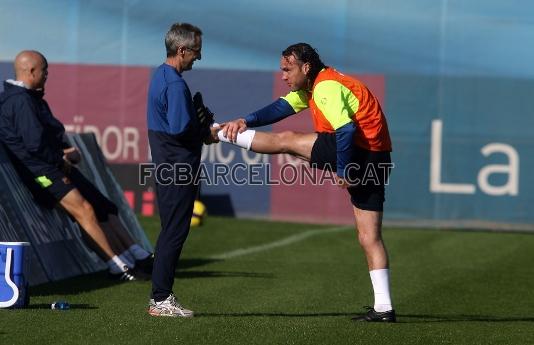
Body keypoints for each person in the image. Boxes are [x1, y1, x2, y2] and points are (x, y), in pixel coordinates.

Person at [220, 43, 396, 322]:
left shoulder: (325, 86)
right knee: (368, 237)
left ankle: (214, 133)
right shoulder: (317, 85)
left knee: (285, 140)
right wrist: (246, 119)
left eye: (288, 70)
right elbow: (281, 107)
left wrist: (344, 168)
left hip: (356, 151)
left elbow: (346, 129)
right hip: (379, 158)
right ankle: (385, 308)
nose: (284, 76)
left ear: (306, 67)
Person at [0, 50, 151, 281]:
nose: (47, 76)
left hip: (55, 165)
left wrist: (63, 154)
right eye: (45, 71)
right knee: (86, 211)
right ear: (31, 71)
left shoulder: (29, 98)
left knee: (103, 207)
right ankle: (117, 266)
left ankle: (134, 256)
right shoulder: (19, 101)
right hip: (42, 171)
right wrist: (61, 157)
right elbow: (34, 144)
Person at [146, 22, 219, 317]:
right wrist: (205, 131)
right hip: (177, 169)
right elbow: (179, 130)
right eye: (196, 51)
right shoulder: (175, 83)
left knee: (170, 231)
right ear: (182, 50)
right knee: (174, 233)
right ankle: (161, 298)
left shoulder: (161, 74)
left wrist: (196, 125)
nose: (198, 57)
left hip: (168, 166)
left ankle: (160, 297)